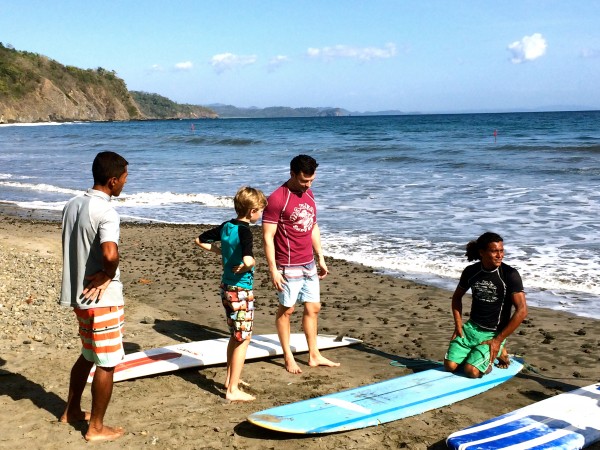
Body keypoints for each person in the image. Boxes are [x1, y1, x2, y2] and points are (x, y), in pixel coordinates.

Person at [59, 151, 128, 442]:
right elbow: (110, 253)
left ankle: (72, 410)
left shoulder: (72, 204)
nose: (126, 182)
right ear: (112, 181)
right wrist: (108, 274)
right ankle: (96, 427)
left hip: (78, 296)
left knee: (88, 354)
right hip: (102, 298)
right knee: (107, 362)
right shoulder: (107, 211)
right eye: (124, 178)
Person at [263, 154, 340, 374]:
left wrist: (321, 257)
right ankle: (288, 357)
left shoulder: (309, 194)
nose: (307, 185)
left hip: (308, 263)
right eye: (303, 181)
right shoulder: (278, 198)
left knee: (314, 307)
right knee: (287, 310)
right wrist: (273, 270)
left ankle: (314, 355)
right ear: (292, 174)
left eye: (311, 181)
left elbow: (312, 226)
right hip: (287, 265)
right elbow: (268, 237)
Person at [195, 186, 267, 401]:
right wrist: (247, 265)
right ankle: (232, 389)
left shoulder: (227, 226)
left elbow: (200, 240)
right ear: (252, 211)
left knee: (235, 335)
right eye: (261, 210)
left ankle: (229, 380)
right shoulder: (245, 231)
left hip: (226, 288)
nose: (261, 214)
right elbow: (249, 259)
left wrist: (219, 251)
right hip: (241, 290)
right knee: (244, 338)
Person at [444, 232, 528, 378]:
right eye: (494, 251)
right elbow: (457, 297)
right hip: (471, 329)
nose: (500, 255)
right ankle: (488, 352)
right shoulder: (471, 271)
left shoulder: (509, 274)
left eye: (501, 251)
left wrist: (498, 340)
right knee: (449, 366)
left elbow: (522, 310)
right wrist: (458, 325)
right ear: (482, 252)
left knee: (471, 372)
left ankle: (498, 350)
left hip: (493, 333)